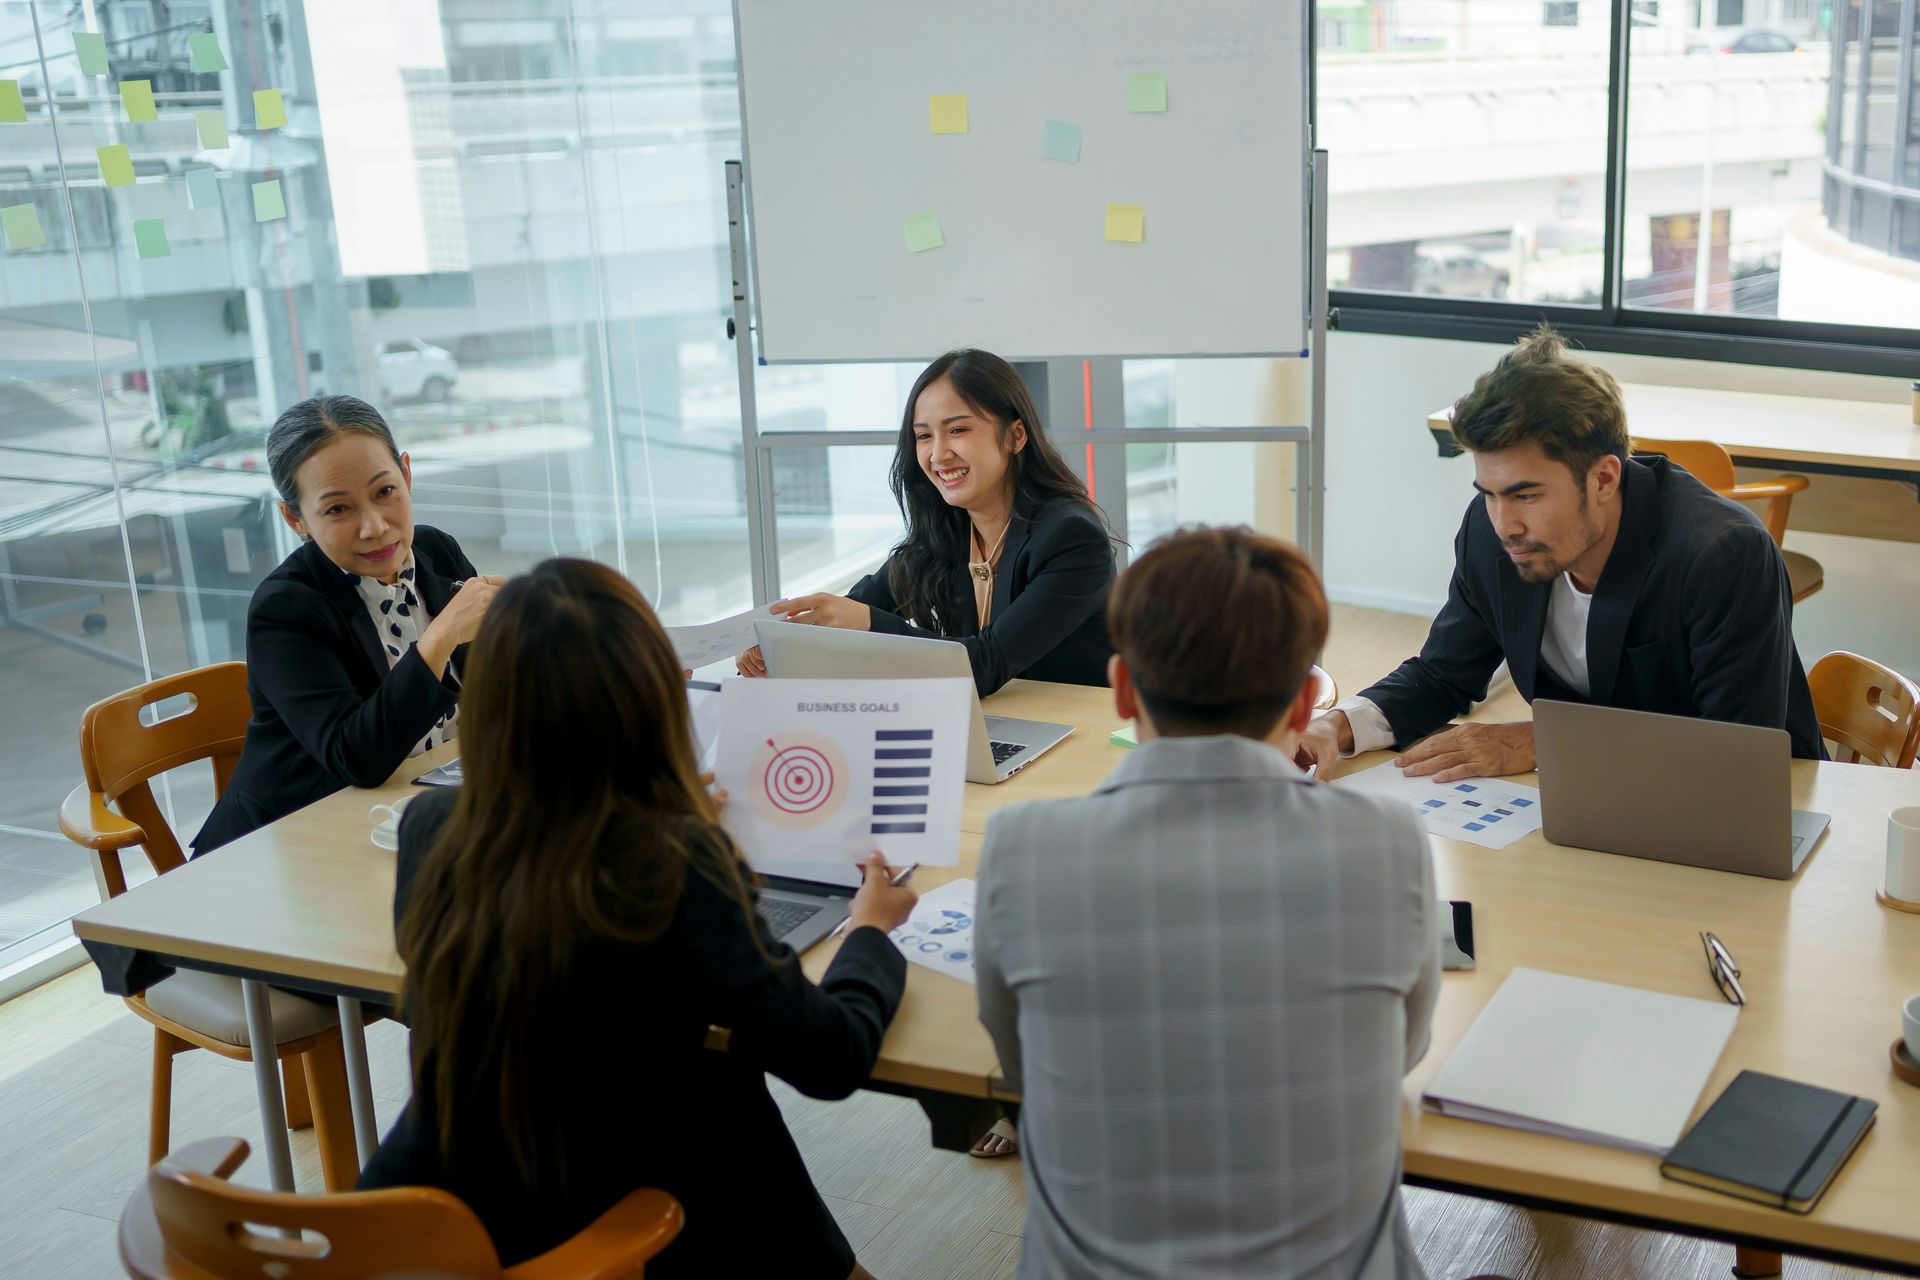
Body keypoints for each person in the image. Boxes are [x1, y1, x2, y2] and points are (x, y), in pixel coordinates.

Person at [359, 558, 917, 1280]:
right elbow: (830, 1058)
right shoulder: (678, 867)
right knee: (721, 1096)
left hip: (439, 1213)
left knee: (714, 1084)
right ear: (647, 698)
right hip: (595, 1238)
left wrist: (667, 825)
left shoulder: (430, 827)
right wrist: (869, 929)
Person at [974, 526, 1441, 1280]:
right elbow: (1404, 1050)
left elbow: (1018, 1062)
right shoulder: (1387, 839)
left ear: (1122, 689)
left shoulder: (1022, 845)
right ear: (1303, 705)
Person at [1297, 325, 1823, 781]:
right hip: (1594, 800)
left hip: (1747, 811)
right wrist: (1335, 725)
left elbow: (1736, 749)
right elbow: (1442, 676)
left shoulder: (1721, 554)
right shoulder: (1490, 531)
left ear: (1603, 479)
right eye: (1489, 493)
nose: (1506, 524)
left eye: (1526, 495)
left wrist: (1539, 742)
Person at [192, 396, 500, 855]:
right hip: (289, 842)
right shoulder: (285, 608)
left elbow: (494, 690)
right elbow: (357, 758)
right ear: (296, 519)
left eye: (385, 492)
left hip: (415, 813)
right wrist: (440, 636)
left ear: (407, 476)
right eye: (338, 510)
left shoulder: (436, 550)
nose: (375, 527)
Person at [738, 348, 1113, 696]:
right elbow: (858, 607)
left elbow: (985, 664)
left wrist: (866, 622)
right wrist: (782, 648)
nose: (938, 454)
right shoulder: (946, 530)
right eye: (923, 436)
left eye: (958, 430)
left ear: (1015, 436)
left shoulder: (1072, 538)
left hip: (1080, 739)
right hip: (993, 728)